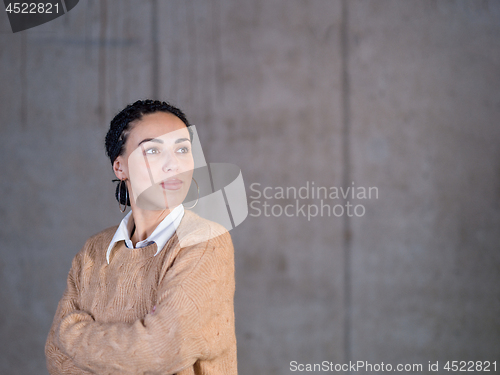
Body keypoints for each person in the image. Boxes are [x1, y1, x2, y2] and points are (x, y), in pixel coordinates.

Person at [45, 100, 238, 375]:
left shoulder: (204, 242)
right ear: (120, 167)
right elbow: (56, 355)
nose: (174, 164)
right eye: (153, 150)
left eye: (182, 149)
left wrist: (73, 335)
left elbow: (159, 350)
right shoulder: (94, 251)